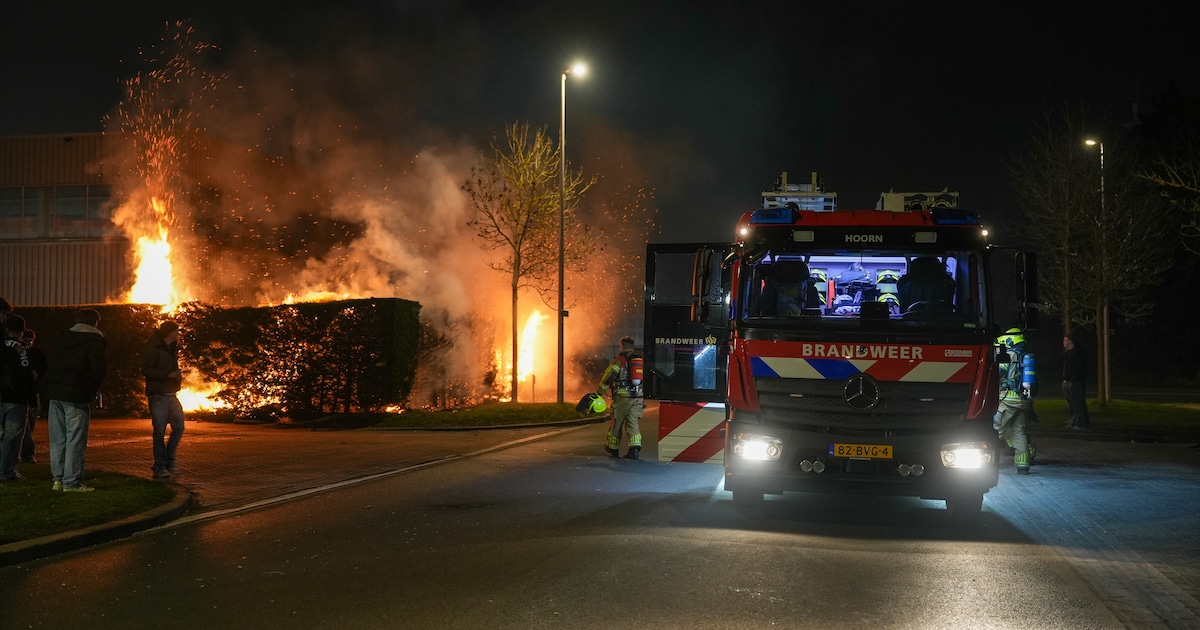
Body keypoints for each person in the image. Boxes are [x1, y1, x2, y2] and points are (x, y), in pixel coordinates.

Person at [43, 308, 107, 493]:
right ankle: (71, 482)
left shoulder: (64, 337)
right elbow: (98, 370)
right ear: (95, 322)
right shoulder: (95, 340)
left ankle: (58, 480)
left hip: (56, 393)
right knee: (75, 439)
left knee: (57, 439)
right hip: (77, 394)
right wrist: (91, 390)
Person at [143, 320, 185, 478]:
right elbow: (146, 369)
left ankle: (169, 461)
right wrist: (168, 375)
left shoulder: (171, 348)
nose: (178, 334)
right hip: (158, 396)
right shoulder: (153, 348)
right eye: (176, 331)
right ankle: (160, 466)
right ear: (169, 332)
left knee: (179, 426)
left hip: (171, 394)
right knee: (159, 432)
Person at [994, 328, 1036, 475]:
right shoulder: (1024, 356)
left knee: (994, 429)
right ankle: (1023, 466)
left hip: (1008, 400)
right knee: (1020, 432)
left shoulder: (1008, 355)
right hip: (1023, 400)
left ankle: (988, 464)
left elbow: (998, 373)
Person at [597, 336, 646, 460]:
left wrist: (600, 392)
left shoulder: (619, 360)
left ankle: (613, 448)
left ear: (622, 346)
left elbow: (608, 377)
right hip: (638, 397)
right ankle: (634, 449)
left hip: (623, 397)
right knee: (633, 422)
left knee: (617, 421)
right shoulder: (639, 360)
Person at [1, 314, 36, 483]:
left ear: (7, 329)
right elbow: (26, 376)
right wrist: (33, 400)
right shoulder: (23, 350)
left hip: (2, 396)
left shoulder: (2, 346)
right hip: (17, 398)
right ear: (23, 331)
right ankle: (7, 472)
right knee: (12, 438)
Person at [19, 328, 48, 463]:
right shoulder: (19, 354)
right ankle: (27, 454)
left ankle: (24, 453)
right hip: (23, 394)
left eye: (30, 341)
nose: (28, 343)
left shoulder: (36, 354)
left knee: (30, 424)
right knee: (26, 427)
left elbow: (44, 369)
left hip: (34, 392)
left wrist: (38, 375)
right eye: (25, 340)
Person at [1062, 332, 1091, 431]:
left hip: (1075, 381)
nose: (1064, 342)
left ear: (1070, 341)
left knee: (1078, 402)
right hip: (1067, 380)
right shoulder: (1067, 353)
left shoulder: (1077, 353)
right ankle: (1074, 420)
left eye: (1065, 340)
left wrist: (1074, 379)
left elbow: (1079, 368)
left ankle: (1081, 422)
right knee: (1071, 403)